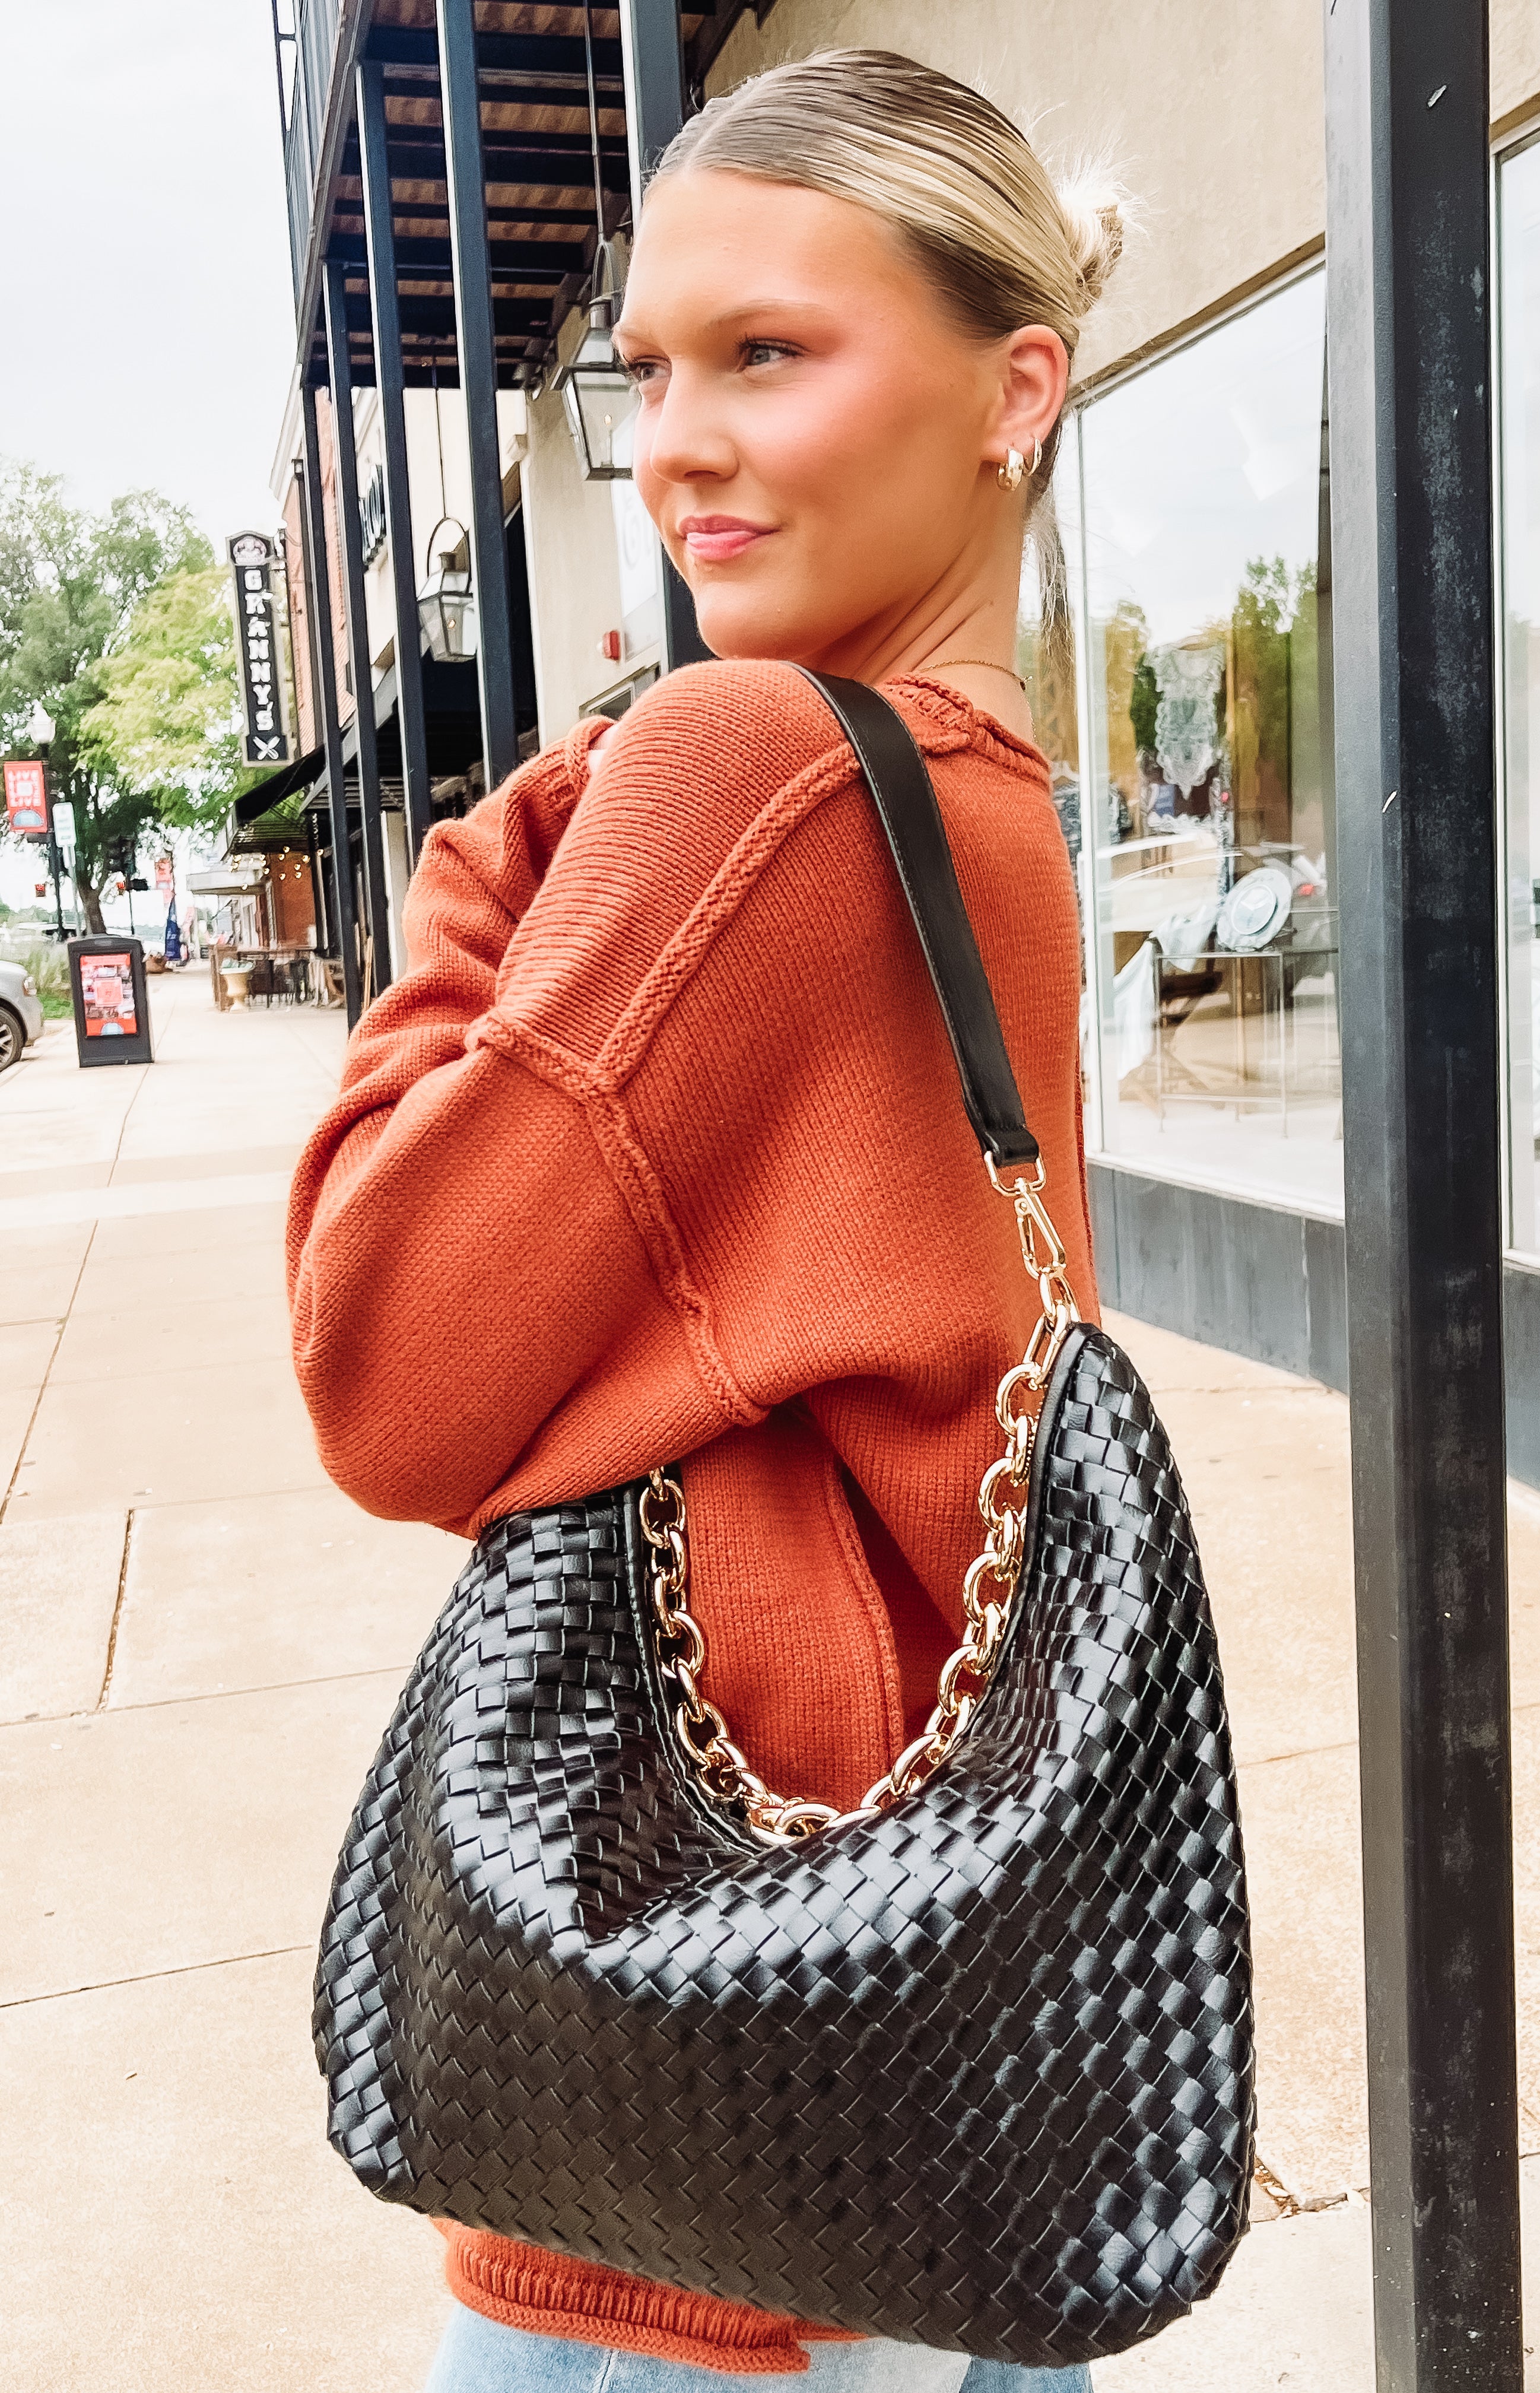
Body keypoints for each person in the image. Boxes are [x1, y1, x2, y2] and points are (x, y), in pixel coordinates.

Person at [286, 47, 1123, 2393]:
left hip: (715, 2073)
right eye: (648, 366)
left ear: (1011, 389)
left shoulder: (734, 767)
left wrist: (495, 859)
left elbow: (385, 1363)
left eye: (773, 350)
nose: (674, 441)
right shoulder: (1000, 802)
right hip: (957, 2004)